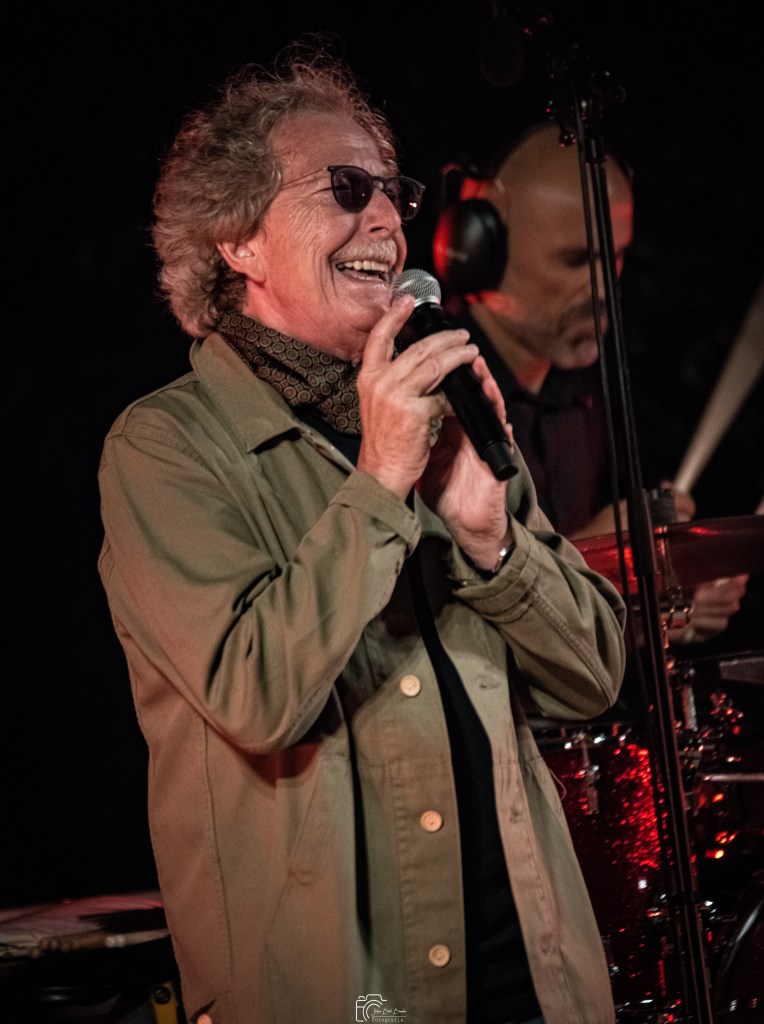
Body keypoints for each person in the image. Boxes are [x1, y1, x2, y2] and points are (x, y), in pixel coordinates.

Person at [97, 47, 627, 1024]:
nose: (386, 218)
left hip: (530, 980)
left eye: (393, 192)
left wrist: (492, 545)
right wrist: (380, 481)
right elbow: (257, 695)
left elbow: (595, 675)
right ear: (237, 240)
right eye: (346, 189)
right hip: (351, 995)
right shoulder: (168, 446)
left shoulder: (446, 409)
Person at [433, 121, 749, 650]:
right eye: (576, 260)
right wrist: (592, 553)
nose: (604, 287)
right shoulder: (434, 401)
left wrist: (658, 614)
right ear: (476, 251)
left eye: (615, 257)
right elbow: (435, 632)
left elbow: (563, 639)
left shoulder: (578, 397)